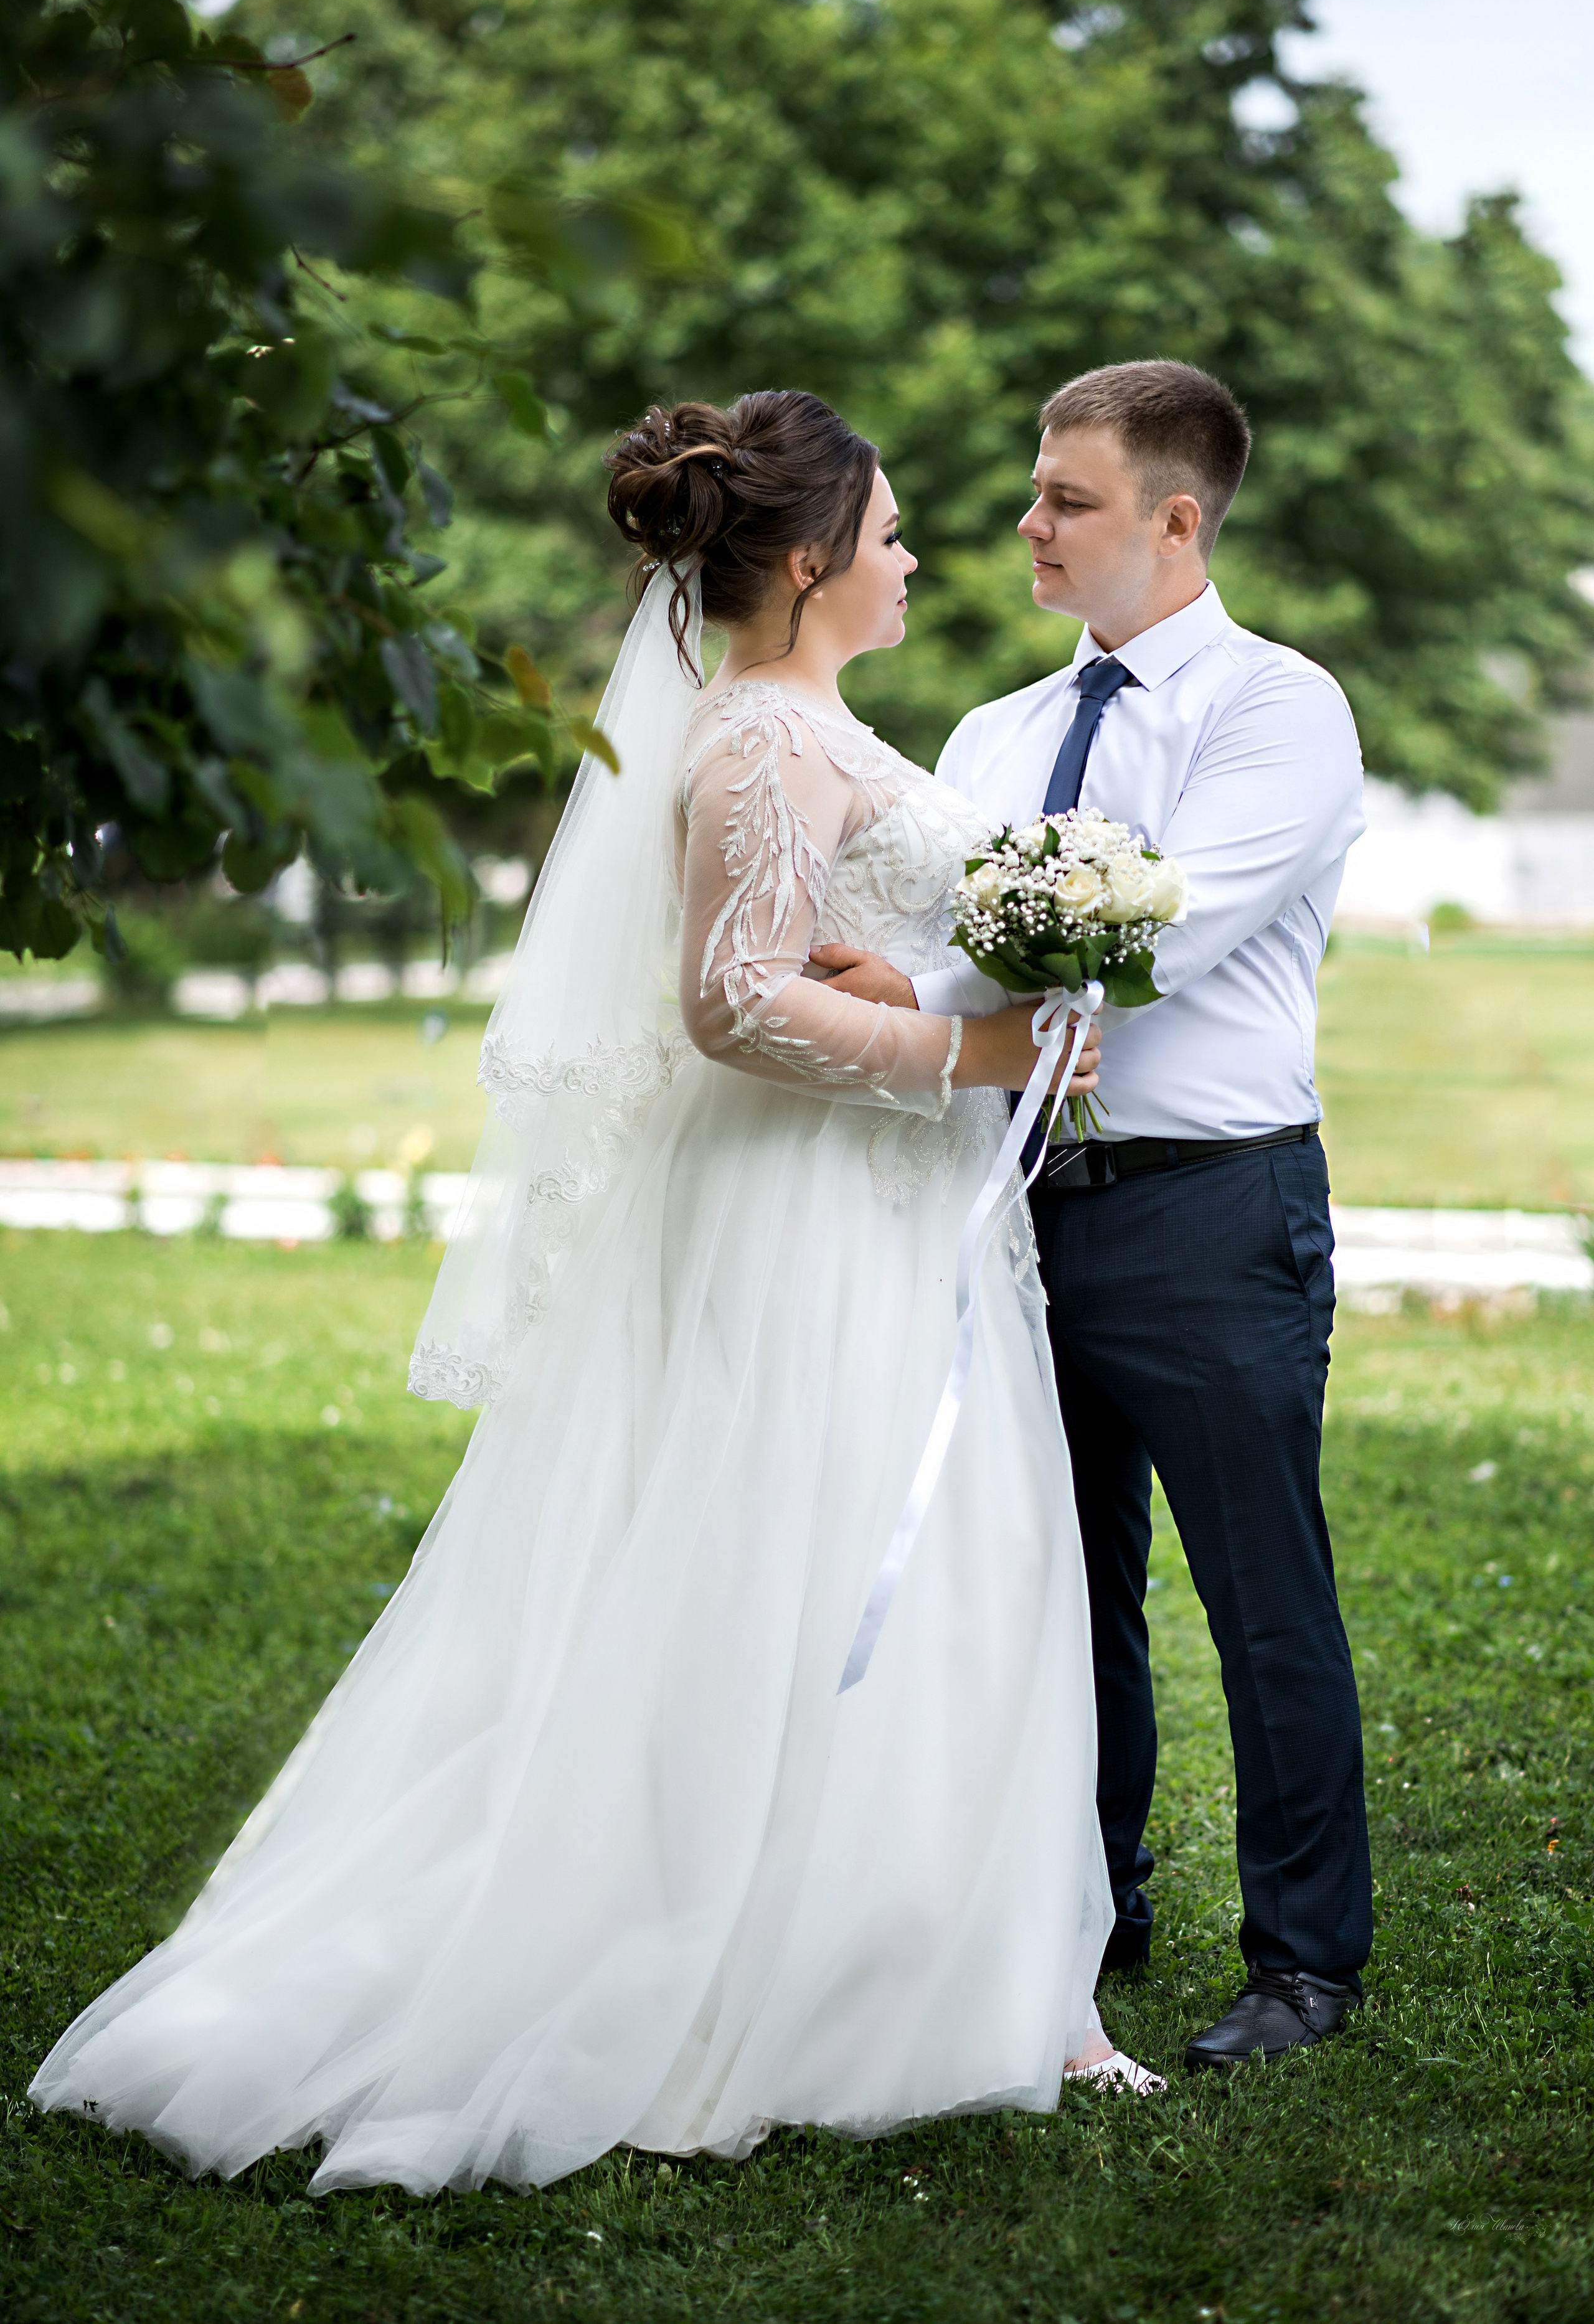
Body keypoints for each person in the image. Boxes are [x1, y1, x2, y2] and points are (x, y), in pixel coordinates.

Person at [31, 389, 1161, 2199]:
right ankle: (750, 1980)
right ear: (805, 565)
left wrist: (972, 1013)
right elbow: (731, 1003)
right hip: (805, 1221)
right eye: (887, 535)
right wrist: (968, 1054)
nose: (915, 556)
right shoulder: (756, 749)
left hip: (879, 1210)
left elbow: (808, 960)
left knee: (945, 1572)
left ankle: (935, 1972)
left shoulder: (803, 726)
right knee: (792, 1571)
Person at [816, 359, 1372, 2068]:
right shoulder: (990, 729)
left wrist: (893, 985)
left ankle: (1302, 1961)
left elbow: (1158, 934)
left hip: (1212, 1208)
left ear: (1177, 517)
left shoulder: (1277, 709)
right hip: (1013, 1202)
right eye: (1033, 491)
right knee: (1057, 1579)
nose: (1026, 524)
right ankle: (1089, 1897)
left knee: (1260, 1589)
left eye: (1068, 499)